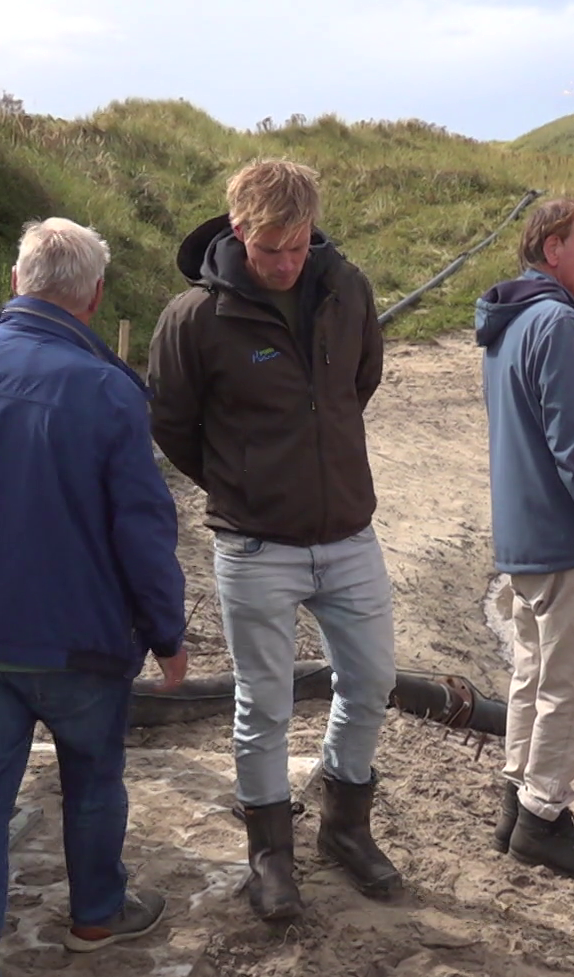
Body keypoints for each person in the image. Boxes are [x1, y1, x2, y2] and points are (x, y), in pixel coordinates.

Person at [0, 218, 189, 977]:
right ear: (95, 296)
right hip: (79, 636)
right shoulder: (109, 390)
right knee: (94, 778)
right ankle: (97, 916)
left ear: (16, 277)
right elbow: (143, 527)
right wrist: (170, 632)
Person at [148, 159, 398, 922]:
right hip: (255, 547)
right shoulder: (193, 318)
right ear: (237, 230)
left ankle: (345, 829)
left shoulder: (347, 289)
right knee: (263, 702)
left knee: (372, 682)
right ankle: (269, 857)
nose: (285, 264)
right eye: (269, 250)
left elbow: (361, 380)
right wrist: (243, 481)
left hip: (349, 534)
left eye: (296, 247)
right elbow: (173, 424)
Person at [475, 198, 574, 882]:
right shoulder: (557, 324)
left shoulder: (509, 325)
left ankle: (517, 803)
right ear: (550, 250)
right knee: (572, 690)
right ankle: (543, 818)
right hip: (567, 541)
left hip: (524, 538)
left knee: (535, 676)